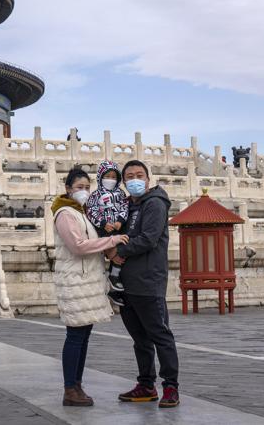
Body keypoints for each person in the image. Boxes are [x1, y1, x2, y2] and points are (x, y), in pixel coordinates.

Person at [52, 167, 129, 407]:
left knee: (83, 336)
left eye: (87, 187)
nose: (84, 191)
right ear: (68, 189)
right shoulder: (65, 213)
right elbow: (78, 246)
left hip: (87, 281)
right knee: (75, 336)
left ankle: (76, 384)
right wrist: (112, 241)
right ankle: (69, 388)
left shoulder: (82, 213)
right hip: (75, 281)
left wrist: (110, 251)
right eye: (79, 187)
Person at [111, 160, 179, 408]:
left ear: (148, 180)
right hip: (126, 284)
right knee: (140, 339)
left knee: (160, 336)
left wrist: (118, 250)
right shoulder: (127, 206)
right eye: (129, 176)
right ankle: (146, 385)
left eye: (139, 175)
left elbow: (148, 239)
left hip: (149, 281)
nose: (135, 179)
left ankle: (170, 387)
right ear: (124, 182)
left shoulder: (155, 204)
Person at [84, 159, 129, 305]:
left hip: (118, 228)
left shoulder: (121, 194)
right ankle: (111, 282)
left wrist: (119, 221)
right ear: (100, 176)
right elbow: (91, 211)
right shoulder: (95, 195)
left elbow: (124, 208)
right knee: (113, 252)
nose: (110, 180)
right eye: (107, 176)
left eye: (113, 177)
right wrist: (103, 223)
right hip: (103, 230)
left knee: (122, 251)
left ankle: (114, 278)